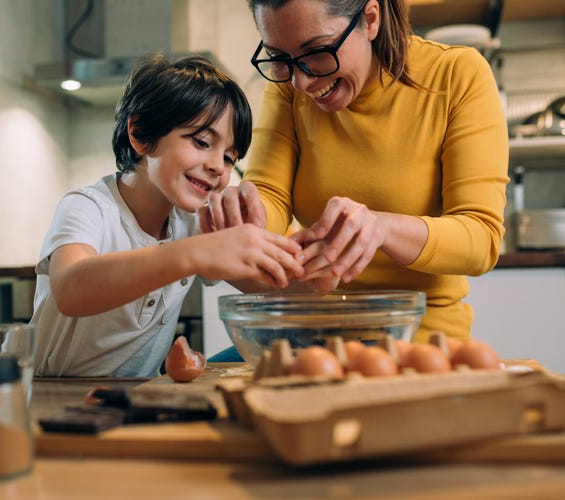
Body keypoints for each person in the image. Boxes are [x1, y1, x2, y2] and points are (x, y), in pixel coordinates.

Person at [200, 0, 509, 343]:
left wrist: (381, 228)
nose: (301, 81)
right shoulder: (288, 84)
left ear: (370, 20)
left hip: (420, 340)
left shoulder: (455, 74)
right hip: (312, 334)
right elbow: (271, 194)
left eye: (317, 51)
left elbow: (481, 238)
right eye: (279, 57)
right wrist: (246, 215)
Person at [31, 54, 305, 377]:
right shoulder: (88, 206)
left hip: (136, 399)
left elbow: (279, 288)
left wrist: (321, 258)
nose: (218, 167)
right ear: (140, 134)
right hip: (50, 394)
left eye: (229, 158)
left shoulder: (191, 224)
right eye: (202, 142)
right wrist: (195, 253)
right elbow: (70, 289)